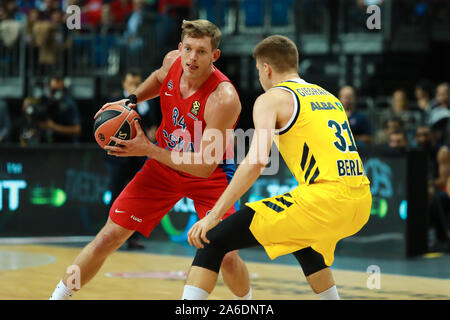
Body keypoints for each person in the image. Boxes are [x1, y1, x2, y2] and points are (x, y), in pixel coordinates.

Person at [50, 19, 251, 300]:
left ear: (214, 56)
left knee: (226, 254)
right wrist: (130, 99)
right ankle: (58, 296)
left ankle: (248, 302)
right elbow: (159, 79)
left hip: (211, 175)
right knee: (109, 236)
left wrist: (149, 149)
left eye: (202, 52)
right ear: (180, 48)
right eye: (189, 49)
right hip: (162, 169)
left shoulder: (224, 98)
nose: (192, 58)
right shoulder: (172, 62)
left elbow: (205, 166)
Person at [181, 35, 372, 300]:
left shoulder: (272, 98)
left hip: (326, 201)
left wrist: (214, 214)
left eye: (259, 70)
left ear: (266, 68)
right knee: (300, 239)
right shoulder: (330, 98)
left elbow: (258, 161)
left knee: (212, 238)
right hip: (361, 202)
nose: (260, 76)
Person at [104, 69, 157, 250]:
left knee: (136, 197)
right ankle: (110, 236)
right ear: (124, 84)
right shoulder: (116, 100)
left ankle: (132, 237)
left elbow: (152, 126)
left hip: (137, 157)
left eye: (137, 83)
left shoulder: (146, 103)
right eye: (131, 83)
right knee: (116, 194)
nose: (134, 86)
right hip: (118, 158)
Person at [36, 74, 81, 143]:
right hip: (46, 145)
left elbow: (77, 130)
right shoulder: (43, 101)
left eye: (58, 90)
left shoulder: (69, 103)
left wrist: (54, 127)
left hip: (66, 146)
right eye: (53, 91)